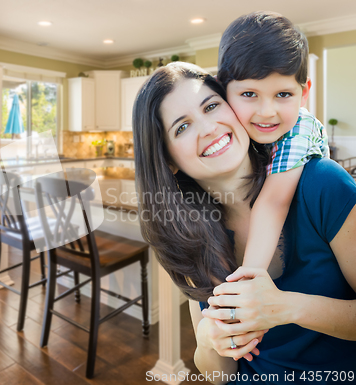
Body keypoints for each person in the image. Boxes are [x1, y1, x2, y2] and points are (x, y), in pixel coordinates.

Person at [132, 61, 356, 383]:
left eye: (211, 106)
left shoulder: (321, 184)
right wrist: (210, 341)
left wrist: (287, 307)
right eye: (182, 127)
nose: (208, 128)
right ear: (168, 160)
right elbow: (219, 374)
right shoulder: (187, 233)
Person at [219, 11, 330, 272]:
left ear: (303, 94)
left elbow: (273, 203)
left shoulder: (300, 129)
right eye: (249, 93)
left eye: (283, 94)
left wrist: (248, 279)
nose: (267, 111)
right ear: (223, 91)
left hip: (315, 252)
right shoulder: (233, 132)